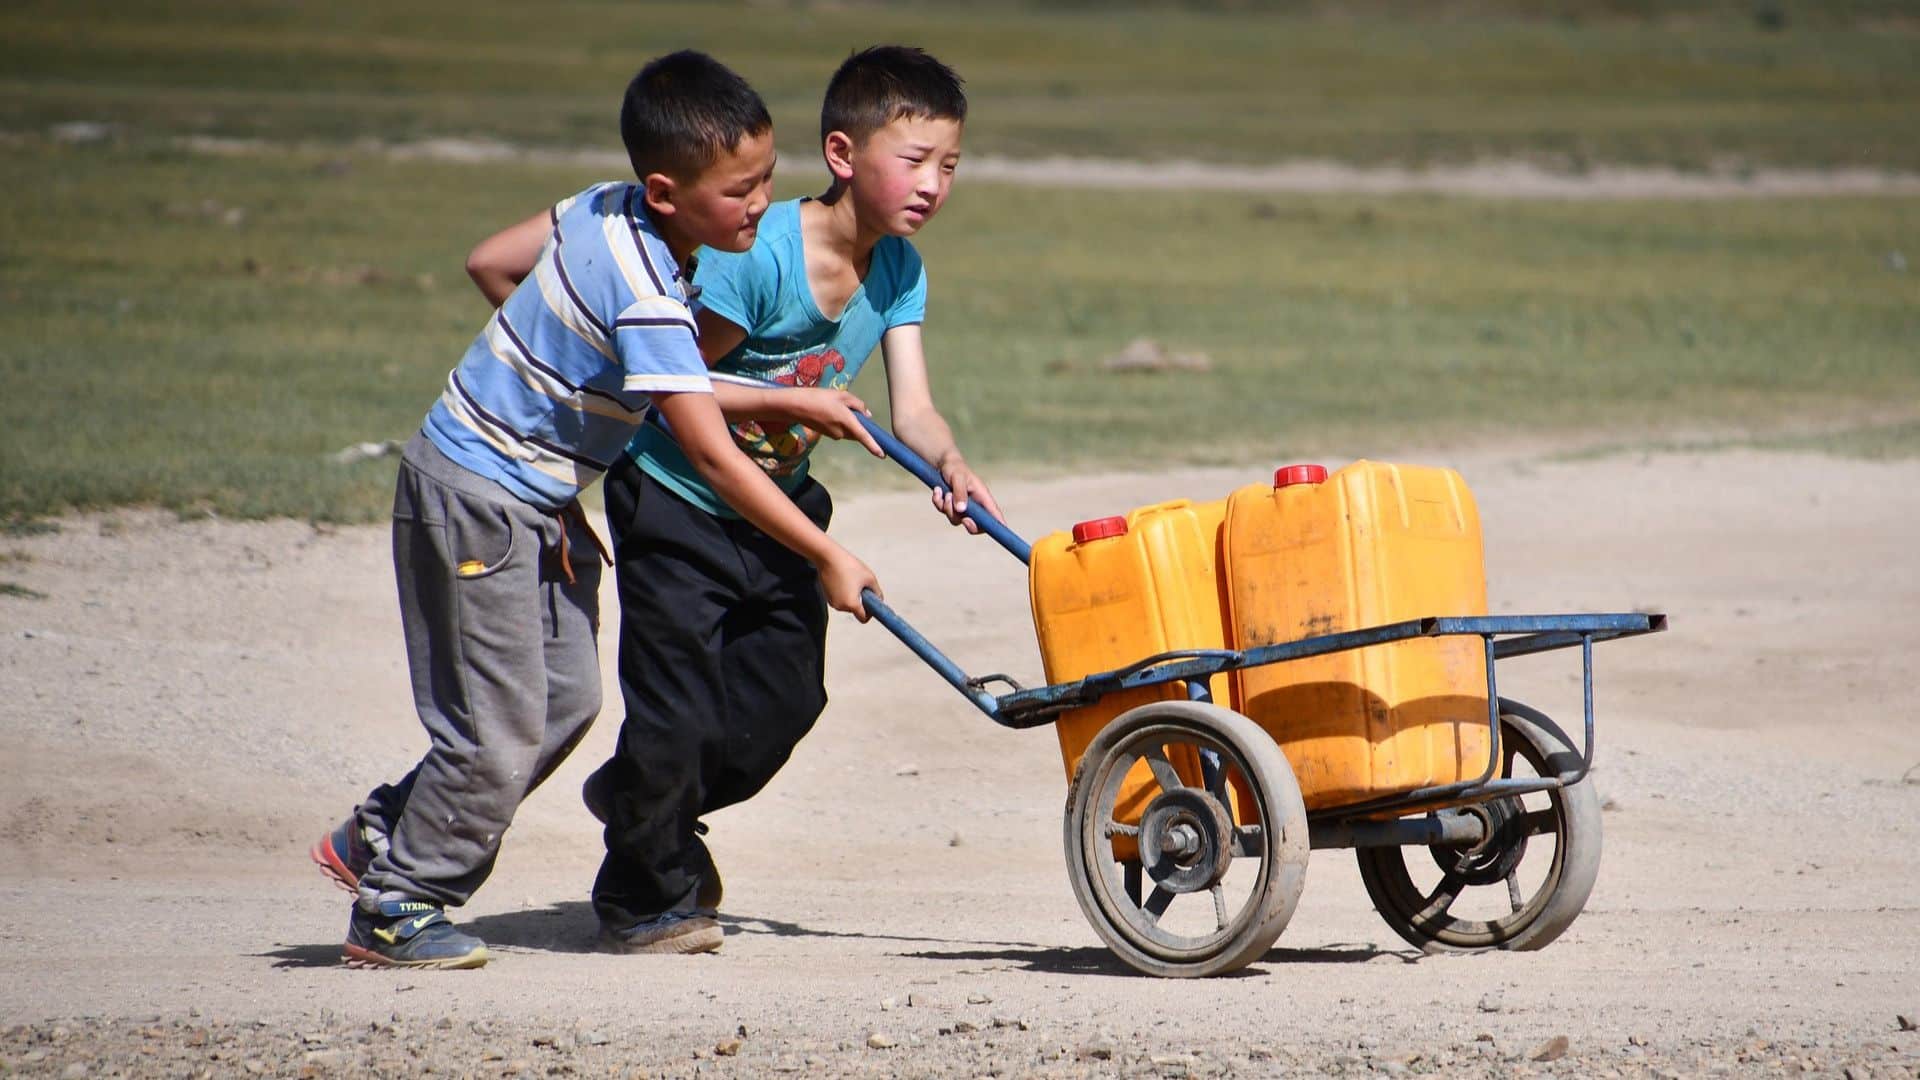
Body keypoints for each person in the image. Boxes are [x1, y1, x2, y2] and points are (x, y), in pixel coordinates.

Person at [307, 50, 881, 969]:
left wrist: (556, 446)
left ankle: (384, 829)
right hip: (475, 500)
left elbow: (490, 263)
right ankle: (401, 901)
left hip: (527, 493)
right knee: (493, 730)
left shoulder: (596, 206)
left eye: (768, 178)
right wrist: (826, 553)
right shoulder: (653, 292)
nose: (761, 206)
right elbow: (706, 449)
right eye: (740, 190)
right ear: (667, 190)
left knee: (566, 703)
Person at [462, 45, 998, 956]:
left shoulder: (900, 270)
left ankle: (642, 800)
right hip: (677, 498)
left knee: (782, 708)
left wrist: (950, 462)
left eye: (949, 164)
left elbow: (914, 409)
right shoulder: (758, 260)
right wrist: (789, 402)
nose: (933, 184)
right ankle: (644, 893)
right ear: (841, 154)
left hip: (779, 509)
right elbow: (680, 386)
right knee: (677, 716)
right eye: (913, 161)